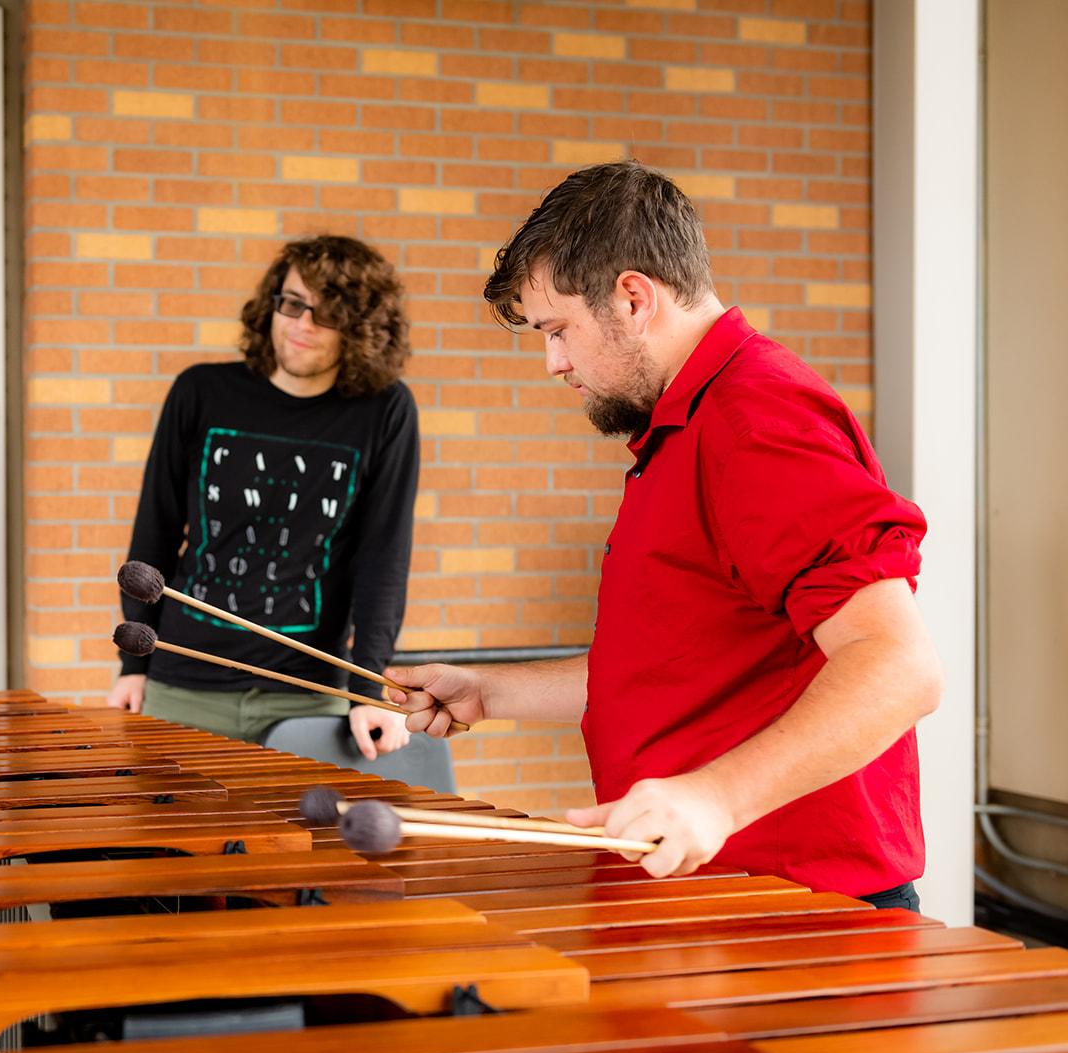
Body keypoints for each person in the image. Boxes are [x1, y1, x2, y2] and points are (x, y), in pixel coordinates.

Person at [387, 162, 942, 910]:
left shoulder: (755, 421)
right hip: (721, 896)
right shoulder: (687, 425)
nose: (554, 362)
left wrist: (717, 797)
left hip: (798, 907)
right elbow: (679, 661)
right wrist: (491, 689)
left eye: (558, 330)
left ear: (633, 297)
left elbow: (900, 665)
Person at [111, 235, 420, 760]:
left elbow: (381, 561)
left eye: (327, 314)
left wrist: (369, 689)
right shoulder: (201, 392)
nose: (303, 324)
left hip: (309, 696)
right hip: (183, 683)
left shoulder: (385, 411)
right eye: (293, 304)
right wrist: (134, 665)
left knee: (303, 843)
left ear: (362, 329)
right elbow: (154, 533)